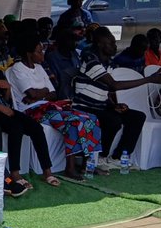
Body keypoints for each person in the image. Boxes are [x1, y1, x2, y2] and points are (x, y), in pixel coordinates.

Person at [6, 35, 102, 180]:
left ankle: (87, 164)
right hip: (32, 111)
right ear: (29, 53)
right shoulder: (17, 68)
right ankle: (70, 168)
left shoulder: (39, 68)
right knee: (74, 121)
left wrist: (39, 94)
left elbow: (53, 93)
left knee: (91, 118)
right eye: (39, 51)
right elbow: (31, 93)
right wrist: (42, 93)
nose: (42, 54)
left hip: (49, 106)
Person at [0, 40, 58, 190]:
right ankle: (15, 173)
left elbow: (6, 99)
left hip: (4, 108)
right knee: (16, 128)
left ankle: (47, 170)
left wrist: (7, 88)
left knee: (35, 127)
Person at [73, 29, 161, 171]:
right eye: (111, 43)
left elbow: (104, 91)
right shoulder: (90, 59)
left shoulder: (109, 63)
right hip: (84, 106)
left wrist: (114, 105)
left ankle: (117, 158)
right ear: (100, 44)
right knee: (113, 120)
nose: (115, 46)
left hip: (100, 106)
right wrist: (149, 79)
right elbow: (114, 85)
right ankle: (101, 157)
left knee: (137, 117)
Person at [44, 26, 80, 100]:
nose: (76, 43)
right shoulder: (52, 58)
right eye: (73, 41)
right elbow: (54, 83)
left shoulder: (74, 54)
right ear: (64, 42)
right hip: (61, 98)